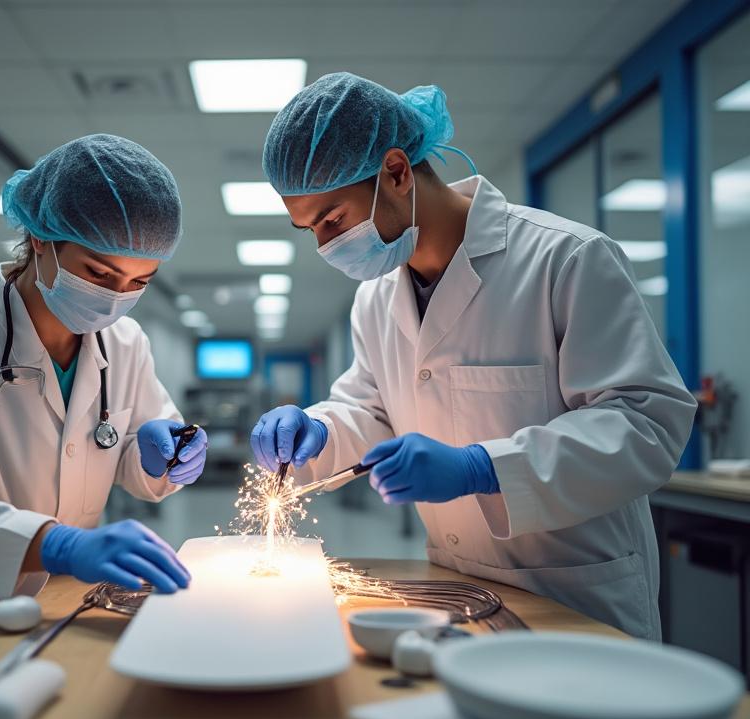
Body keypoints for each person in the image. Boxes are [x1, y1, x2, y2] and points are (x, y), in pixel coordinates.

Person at [250, 73, 696, 639]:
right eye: (309, 229)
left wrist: (484, 469)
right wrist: (317, 427)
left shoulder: (566, 259)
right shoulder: (376, 299)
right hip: (456, 591)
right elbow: (372, 411)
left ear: (395, 172)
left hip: (575, 594)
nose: (324, 246)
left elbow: (645, 423)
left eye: (332, 219)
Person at [0, 134, 208, 614]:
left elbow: (134, 460)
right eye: (99, 273)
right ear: (40, 239)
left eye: (138, 283)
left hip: (69, 599)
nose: (116, 298)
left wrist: (159, 456)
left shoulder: (126, 343)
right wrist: (56, 544)